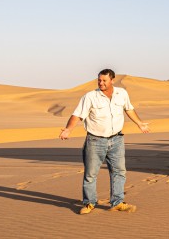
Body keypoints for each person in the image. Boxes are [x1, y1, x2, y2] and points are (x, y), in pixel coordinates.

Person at [58, 69, 150, 214]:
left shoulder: (122, 94)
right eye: (99, 80)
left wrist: (140, 123)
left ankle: (117, 202)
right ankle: (89, 203)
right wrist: (69, 129)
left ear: (112, 80)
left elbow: (129, 109)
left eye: (104, 80)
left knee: (119, 172)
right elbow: (77, 115)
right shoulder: (90, 97)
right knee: (90, 174)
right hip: (95, 141)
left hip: (117, 139)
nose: (101, 83)